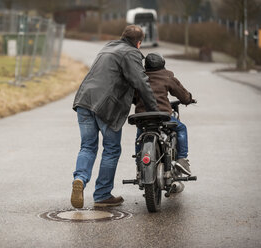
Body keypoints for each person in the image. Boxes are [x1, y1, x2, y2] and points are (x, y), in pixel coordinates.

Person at [71, 25, 159, 208]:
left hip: (84, 100)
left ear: (122, 36)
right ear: (139, 42)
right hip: (106, 107)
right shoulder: (131, 53)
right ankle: (102, 194)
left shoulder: (108, 47)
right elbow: (141, 82)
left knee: (87, 146)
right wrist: (154, 111)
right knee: (111, 149)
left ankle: (79, 179)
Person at [134, 53, 195, 176]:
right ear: (162, 64)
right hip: (162, 115)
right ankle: (182, 159)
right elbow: (182, 94)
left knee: (140, 136)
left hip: (142, 117)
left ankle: (139, 164)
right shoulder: (167, 76)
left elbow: (133, 97)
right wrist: (188, 99)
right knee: (181, 129)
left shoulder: (139, 78)